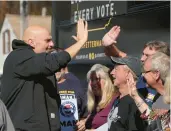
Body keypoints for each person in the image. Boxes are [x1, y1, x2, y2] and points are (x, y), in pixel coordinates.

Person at [1, 19, 88, 131]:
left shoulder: (37, 64)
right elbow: (52, 62)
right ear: (31, 42)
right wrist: (81, 42)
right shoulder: (18, 57)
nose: (52, 44)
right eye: (47, 40)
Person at [102, 25, 170, 107]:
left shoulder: (167, 85)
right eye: (143, 54)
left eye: (147, 55)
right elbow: (118, 55)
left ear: (161, 58)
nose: (142, 58)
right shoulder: (142, 69)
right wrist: (107, 44)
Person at [127, 52, 170, 130]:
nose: (142, 76)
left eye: (144, 72)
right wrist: (135, 96)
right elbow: (152, 118)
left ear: (156, 74)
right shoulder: (161, 100)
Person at [108, 56, 146, 131]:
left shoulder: (134, 102)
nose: (112, 73)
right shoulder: (118, 99)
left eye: (116, 69)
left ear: (128, 74)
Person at [85, 64, 119, 130]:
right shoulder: (94, 103)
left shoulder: (116, 101)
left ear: (107, 80)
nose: (94, 83)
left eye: (97, 79)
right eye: (92, 80)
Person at [55, 65, 88, 131]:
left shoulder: (76, 85)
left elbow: (86, 113)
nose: (57, 69)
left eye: (59, 66)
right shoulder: (41, 87)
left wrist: (84, 122)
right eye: (54, 66)